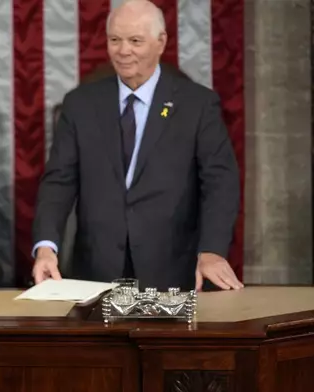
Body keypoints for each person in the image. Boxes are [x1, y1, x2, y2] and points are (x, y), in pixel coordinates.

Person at [31, 0, 244, 292]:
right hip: (96, 274)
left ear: (161, 42)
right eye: (115, 40)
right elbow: (58, 182)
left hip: (173, 273)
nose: (123, 50)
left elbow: (221, 183)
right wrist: (45, 247)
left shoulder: (197, 105)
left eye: (135, 41)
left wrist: (212, 250)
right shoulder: (80, 105)